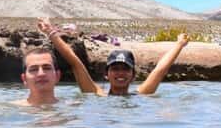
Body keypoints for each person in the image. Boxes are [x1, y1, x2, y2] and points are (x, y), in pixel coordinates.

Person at [37, 18, 190, 96]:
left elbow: (160, 70)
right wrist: (51, 33)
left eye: (125, 69)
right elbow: (76, 63)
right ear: (107, 74)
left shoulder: (141, 94)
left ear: (133, 75)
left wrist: (179, 45)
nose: (120, 73)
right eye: (115, 69)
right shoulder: (96, 94)